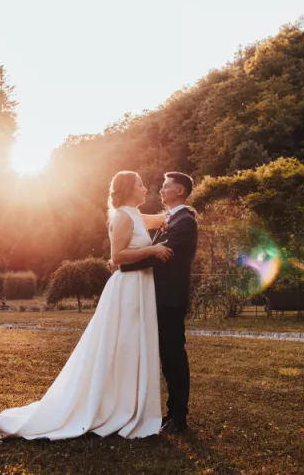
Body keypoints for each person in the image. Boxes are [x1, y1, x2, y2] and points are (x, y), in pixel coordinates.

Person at [0, 171, 172, 440]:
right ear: (129, 188)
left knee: (132, 345)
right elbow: (117, 256)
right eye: (140, 185)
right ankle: (111, 405)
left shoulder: (135, 215)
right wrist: (152, 250)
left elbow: (162, 218)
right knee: (122, 343)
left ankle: (127, 400)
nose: (145, 189)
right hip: (128, 289)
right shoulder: (122, 217)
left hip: (140, 287)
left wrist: (182, 210)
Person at [116, 172, 198, 433]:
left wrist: (122, 264)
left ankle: (179, 416)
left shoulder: (185, 222)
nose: (161, 191)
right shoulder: (172, 218)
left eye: (166, 187)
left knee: (174, 355)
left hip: (170, 298)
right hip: (159, 295)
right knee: (166, 355)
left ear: (180, 191)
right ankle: (171, 411)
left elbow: (164, 255)